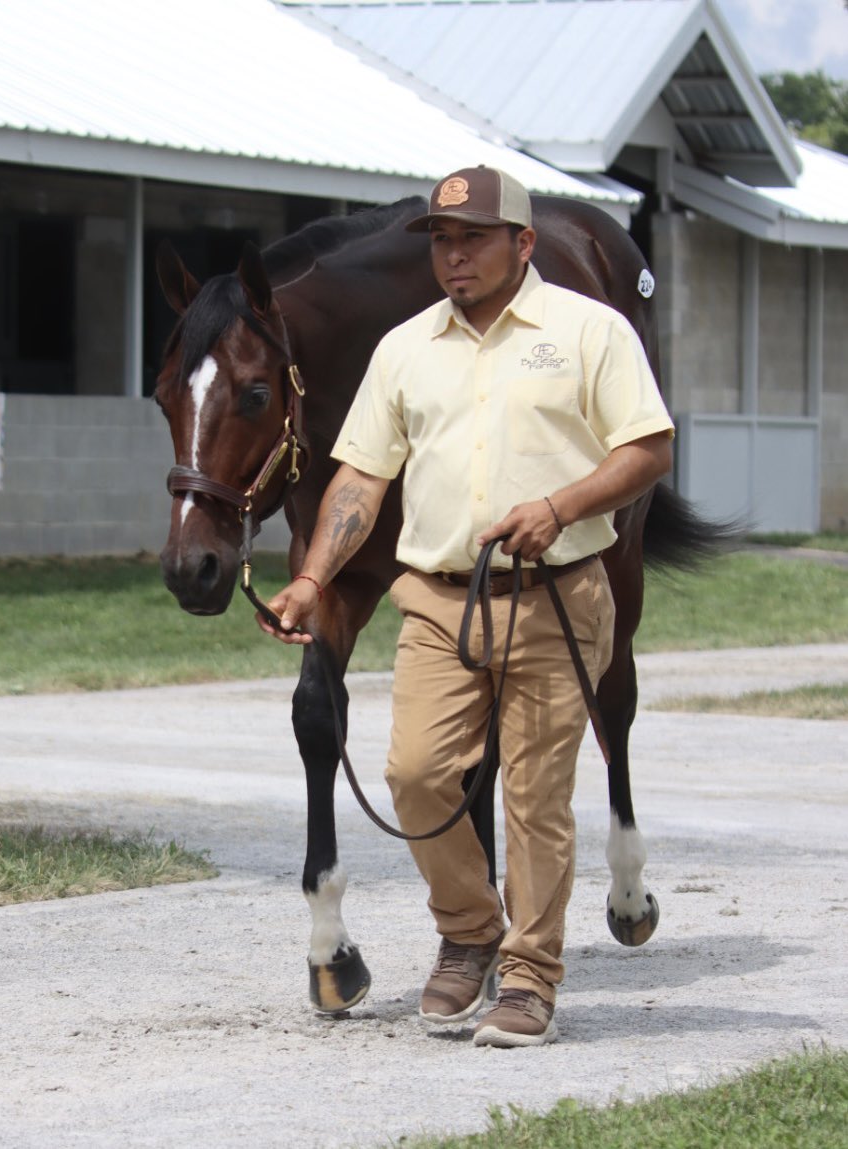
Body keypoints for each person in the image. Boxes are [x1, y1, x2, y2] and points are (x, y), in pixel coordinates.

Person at [257, 165, 675, 1048]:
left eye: (472, 240)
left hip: (556, 596)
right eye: (442, 242)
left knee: (532, 797)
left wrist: (561, 506)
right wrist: (313, 576)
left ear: (522, 243)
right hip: (438, 603)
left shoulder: (589, 331)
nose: (453, 258)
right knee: (414, 774)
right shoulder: (406, 348)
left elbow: (648, 448)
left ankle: (528, 974)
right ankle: (469, 928)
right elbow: (361, 475)